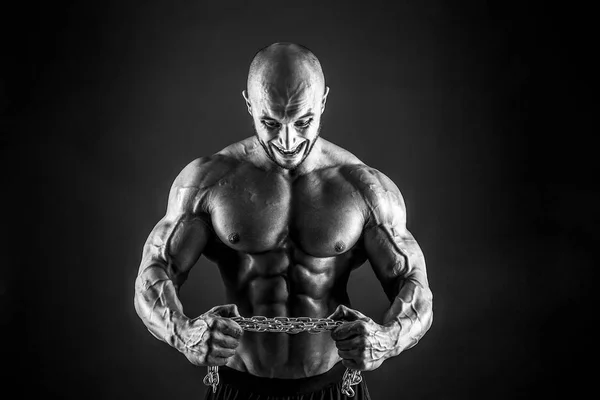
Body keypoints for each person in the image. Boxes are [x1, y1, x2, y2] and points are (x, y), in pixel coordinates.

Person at [134, 42, 433, 400]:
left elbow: (415, 286)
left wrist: (387, 340)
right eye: (270, 123)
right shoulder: (208, 181)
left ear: (322, 102)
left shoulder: (364, 188)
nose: (288, 140)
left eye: (303, 121)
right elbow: (154, 270)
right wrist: (183, 334)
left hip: (333, 387)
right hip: (240, 387)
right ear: (249, 105)